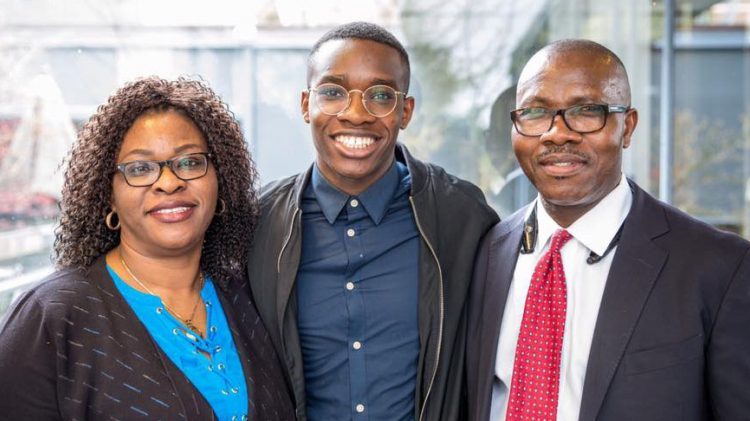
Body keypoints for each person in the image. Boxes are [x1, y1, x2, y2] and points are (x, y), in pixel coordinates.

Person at [466, 39, 750, 421]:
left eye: (586, 111)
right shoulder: (485, 254)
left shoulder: (719, 268)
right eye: (536, 112)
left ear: (627, 127)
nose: (556, 133)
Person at [0, 76, 295, 420]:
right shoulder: (50, 317)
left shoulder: (252, 294)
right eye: (140, 168)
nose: (169, 182)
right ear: (107, 193)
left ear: (221, 179)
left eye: (189, 162)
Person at [246, 22, 499, 420]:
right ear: (305, 104)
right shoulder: (259, 224)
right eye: (332, 92)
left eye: (381, 95)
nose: (356, 114)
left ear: (406, 111)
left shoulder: (461, 216)